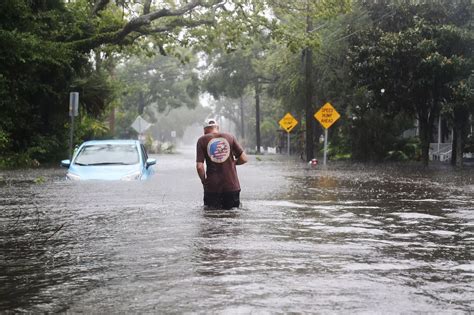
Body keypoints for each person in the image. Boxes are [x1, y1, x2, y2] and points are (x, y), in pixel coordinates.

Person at [196, 118, 248, 209]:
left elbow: (199, 167)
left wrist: (204, 181)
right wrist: (232, 163)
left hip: (212, 188)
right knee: (232, 216)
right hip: (232, 187)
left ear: (204, 130)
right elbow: (244, 159)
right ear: (217, 127)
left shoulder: (202, 140)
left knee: (211, 217)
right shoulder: (230, 137)